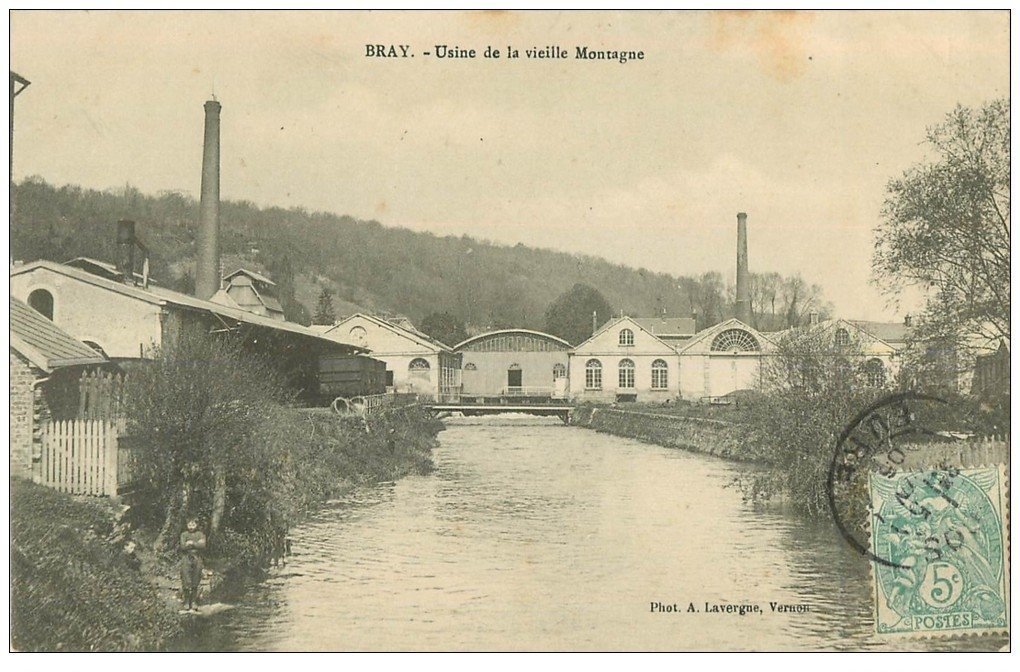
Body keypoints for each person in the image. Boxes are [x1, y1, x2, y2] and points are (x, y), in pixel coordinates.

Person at [179, 518, 207, 613]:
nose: (191, 527)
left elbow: (203, 545)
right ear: (187, 525)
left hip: (197, 557)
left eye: (193, 524)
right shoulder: (184, 534)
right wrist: (196, 544)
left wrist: (191, 543)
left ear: (196, 525)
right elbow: (183, 546)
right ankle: (187, 602)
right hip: (186, 558)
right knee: (186, 579)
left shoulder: (200, 534)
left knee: (196, 579)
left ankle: (194, 601)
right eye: (189, 525)